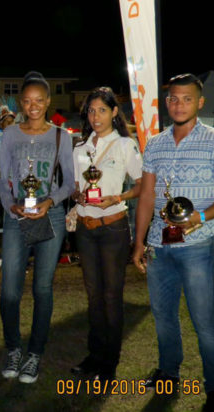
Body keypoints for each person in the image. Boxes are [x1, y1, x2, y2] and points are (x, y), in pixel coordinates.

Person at [132, 73, 214, 412]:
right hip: (159, 246)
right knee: (164, 317)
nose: (179, 104)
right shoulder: (155, 143)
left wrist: (201, 217)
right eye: (173, 99)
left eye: (186, 99)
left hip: (197, 245)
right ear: (167, 103)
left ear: (200, 102)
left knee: (203, 320)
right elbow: (147, 196)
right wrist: (138, 244)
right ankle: (168, 373)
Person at [0, 71, 74, 384]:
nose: (33, 106)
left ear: (48, 102)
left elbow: (69, 182)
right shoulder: (11, 134)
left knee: (42, 288)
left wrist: (50, 202)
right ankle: (13, 349)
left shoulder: (61, 136)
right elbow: (3, 180)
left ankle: (34, 355)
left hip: (49, 215)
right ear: (21, 103)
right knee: (9, 292)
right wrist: (10, 206)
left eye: (39, 100)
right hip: (17, 214)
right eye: (27, 101)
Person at [70, 87, 142, 381]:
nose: (95, 116)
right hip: (86, 230)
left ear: (114, 112)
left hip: (113, 228)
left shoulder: (126, 145)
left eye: (101, 110)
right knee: (93, 297)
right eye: (90, 110)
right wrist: (78, 196)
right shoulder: (79, 148)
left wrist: (116, 197)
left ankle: (109, 363)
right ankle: (94, 355)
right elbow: (77, 187)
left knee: (111, 297)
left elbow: (141, 185)